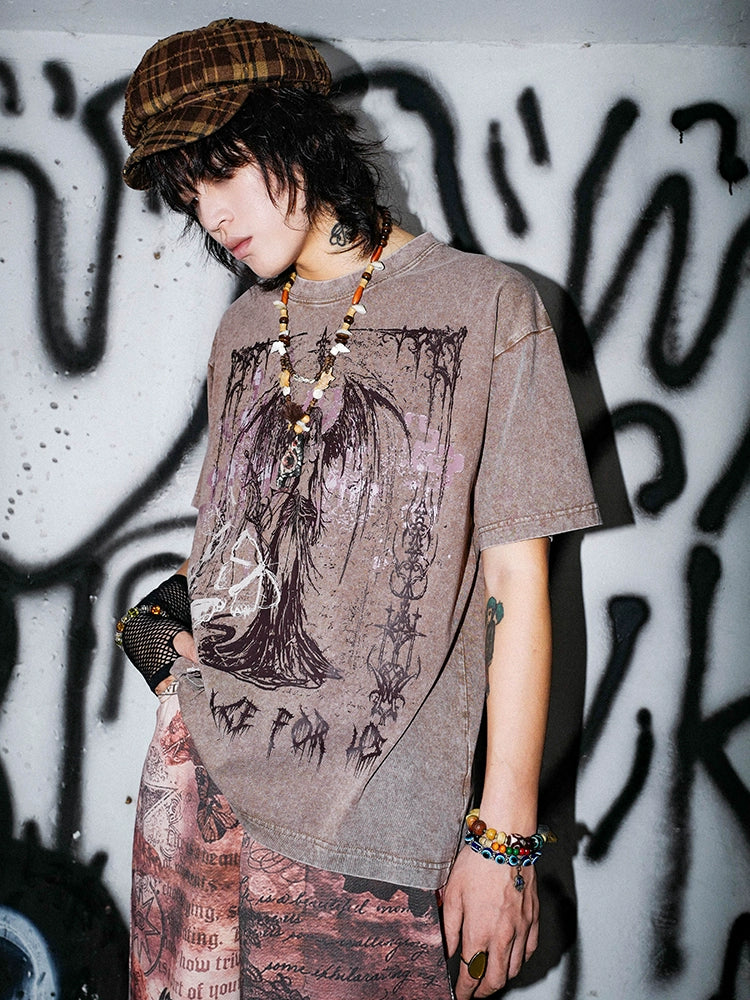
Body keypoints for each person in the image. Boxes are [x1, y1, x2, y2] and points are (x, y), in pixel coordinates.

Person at [116, 18, 600, 1000]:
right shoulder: (242, 329)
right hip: (194, 797)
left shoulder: (488, 306)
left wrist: (502, 843)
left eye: (224, 170)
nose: (210, 212)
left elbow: (516, 585)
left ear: (302, 134)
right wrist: (162, 648)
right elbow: (232, 554)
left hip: (369, 838)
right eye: (187, 190)